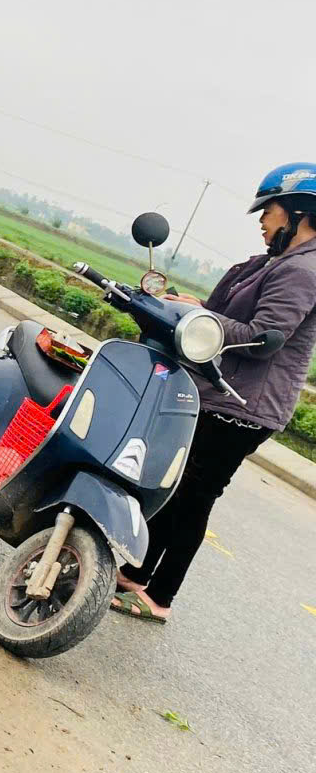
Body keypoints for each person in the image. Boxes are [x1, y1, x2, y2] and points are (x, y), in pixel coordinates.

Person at [113, 163, 316, 624]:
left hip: (246, 405)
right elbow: (237, 319)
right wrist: (197, 310)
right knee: (178, 485)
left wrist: (199, 320)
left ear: (300, 213)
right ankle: (136, 574)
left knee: (194, 495)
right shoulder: (282, 262)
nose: (262, 221)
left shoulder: (304, 270)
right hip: (226, 394)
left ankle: (159, 596)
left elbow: (264, 338)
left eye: (269, 210)